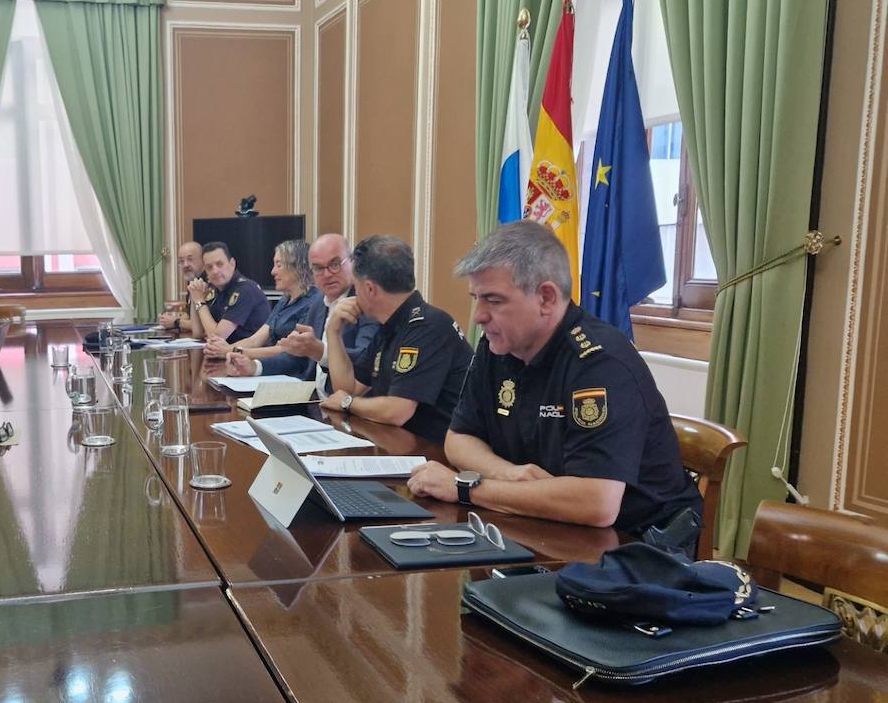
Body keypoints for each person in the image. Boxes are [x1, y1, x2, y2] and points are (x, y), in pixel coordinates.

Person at [407, 219, 703, 536]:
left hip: (634, 546)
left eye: (493, 300)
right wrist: (507, 474)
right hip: (543, 524)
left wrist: (464, 488)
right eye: (475, 298)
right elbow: (459, 438)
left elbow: (596, 504)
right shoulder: (499, 346)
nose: (479, 316)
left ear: (546, 298)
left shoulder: (600, 362)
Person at [319, 234, 472, 441]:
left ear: (370, 288)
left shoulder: (426, 326)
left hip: (438, 455)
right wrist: (333, 333)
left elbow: (397, 411)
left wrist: (348, 403)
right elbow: (348, 388)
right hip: (403, 445)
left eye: (356, 286)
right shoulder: (390, 325)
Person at [224, 233, 379, 390]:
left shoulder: (366, 303)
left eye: (335, 264)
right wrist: (254, 367)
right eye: (318, 268)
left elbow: (365, 362)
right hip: (311, 398)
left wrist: (319, 350)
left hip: (347, 403)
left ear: (352, 262)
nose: (326, 274)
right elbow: (296, 358)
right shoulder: (318, 303)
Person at [204, 239, 319, 362]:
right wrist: (223, 350)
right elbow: (256, 340)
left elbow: (287, 350)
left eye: (279, 265)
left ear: (297, 267)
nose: (273, 271)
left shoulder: (313, 302)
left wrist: (232, 351)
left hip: (293, 375)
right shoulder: (285, 300)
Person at [187, 241, 271, 343]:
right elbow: (197, 333)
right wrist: (195, 296)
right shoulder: (215, 289)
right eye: (209, 267)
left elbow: (217, 337)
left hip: (248, 355)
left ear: (232, 264)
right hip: (226, 353)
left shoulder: (246, 290)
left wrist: (200, 301)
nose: (215, 271)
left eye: (219, 264)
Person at [159, 241, 204, 333]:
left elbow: (204, 324)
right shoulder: (192, 282)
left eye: (190, 259)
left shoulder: (208, 284)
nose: (185, 265)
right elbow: (190, 315)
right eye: (181, 261)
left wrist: (176, 322)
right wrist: (169, 320)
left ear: (203, 260)